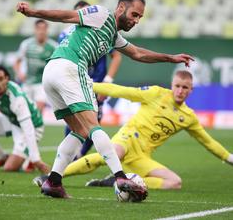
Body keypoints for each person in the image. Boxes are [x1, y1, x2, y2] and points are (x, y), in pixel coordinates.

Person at [16, 0, 194, 199]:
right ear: (120, 8)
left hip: (52, 72)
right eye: (134, 14)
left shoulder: (112, 35)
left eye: (140, 18)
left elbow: (137, 53)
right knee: (93, 126)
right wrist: (33, 12)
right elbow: (67, 15)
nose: (136, 20)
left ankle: (53, 181)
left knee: (80, 130)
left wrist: (170, 58)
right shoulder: (101, 14)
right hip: (70, 67)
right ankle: (120, 176)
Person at [45, 70, 232, 189]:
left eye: (185, 87)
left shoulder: (189, 117)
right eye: (177, 86)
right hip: (127, 139)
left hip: (141, 156)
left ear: (191, 90)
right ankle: (55, 175)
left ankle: (122, 181)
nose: (180, 90)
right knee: (114, 152)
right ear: (172, 85)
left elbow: (208, 142)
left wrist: (229, 158)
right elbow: (122, 91)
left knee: (175, 183)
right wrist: (90, 86)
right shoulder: (156, 93)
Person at [59, 0, 122, 158]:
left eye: (86, 12)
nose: (83, 17)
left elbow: (116, 56)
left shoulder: (101, 30)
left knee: (94, 122)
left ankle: (79, 156)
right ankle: (73, 156)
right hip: (75, 81)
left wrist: (107, 82)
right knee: (75, 118)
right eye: (79, 13)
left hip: (96, 83)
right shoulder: (66, 34)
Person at [0, 65, 50, 174]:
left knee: (9, 168)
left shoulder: (16, 98)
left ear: (7, 79)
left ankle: (29, 160)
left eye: (1, 79)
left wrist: (36, 159)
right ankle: (1, 157)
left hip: (33, 126)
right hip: (10, 119)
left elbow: (28, 129)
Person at [13, 19, 58, 112]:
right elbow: (17, 61)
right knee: (25, 111)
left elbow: (58, 64)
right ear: (35, 30)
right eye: (38, 28)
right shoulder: (26, 44)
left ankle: (37, 126)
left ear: (47, 30)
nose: (41, 31)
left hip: (42, 83)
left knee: (38, 110)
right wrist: (19, 73)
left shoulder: (53, 46)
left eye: (43, 29)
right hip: (27, 82)